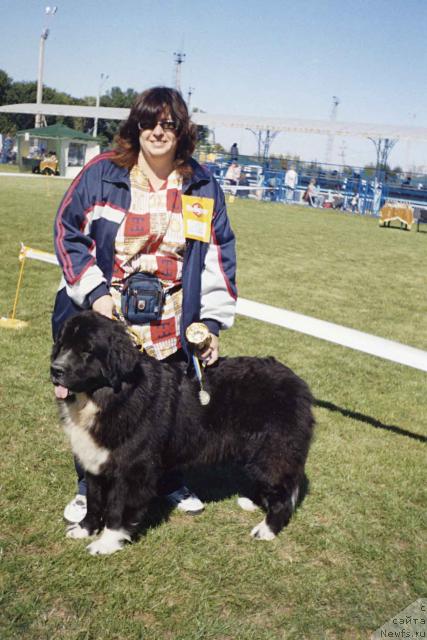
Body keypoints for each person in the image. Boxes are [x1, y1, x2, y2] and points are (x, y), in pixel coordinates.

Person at [52, 86, 237, 524]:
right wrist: (95, 293)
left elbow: (219, 254)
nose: (158, 131)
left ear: (182, 130)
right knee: (93, 405)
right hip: (104, 314)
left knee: (167, 409)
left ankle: (168, 482)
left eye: (168, 123)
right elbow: (66, 230)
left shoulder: (203, 183)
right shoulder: (102, 173)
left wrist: (208, 322)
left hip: (171, 319)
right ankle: (89, 487)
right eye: (149, 121)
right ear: (137, 125)